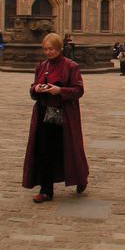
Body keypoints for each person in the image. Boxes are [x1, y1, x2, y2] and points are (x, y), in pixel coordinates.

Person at [22, 32, 89, 203]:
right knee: (45, 151)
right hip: (45, 115)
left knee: (69, 149)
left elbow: (78, 90)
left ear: (59, 49)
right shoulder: (42, 66)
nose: (48, 52)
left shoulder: (70, 66)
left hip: (64, 116)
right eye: (45, 49)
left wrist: (59, 91)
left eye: (51, 49)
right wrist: (36, 89)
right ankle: (46, 190)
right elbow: (33, 88)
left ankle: (80, 177)